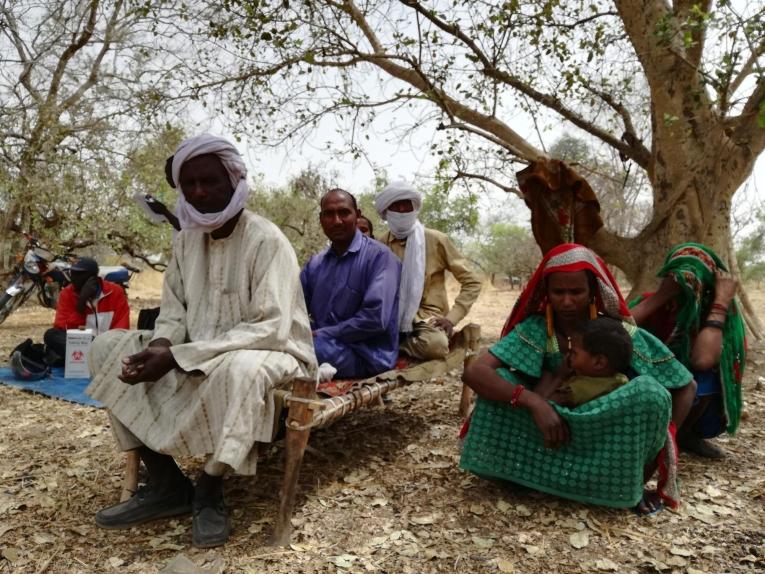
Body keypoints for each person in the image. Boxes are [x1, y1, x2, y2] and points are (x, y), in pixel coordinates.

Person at [85, 134, 316, 548]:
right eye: (188, 184)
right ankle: (166, 485)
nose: (198, 192)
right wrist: (160, 345)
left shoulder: (266, 240)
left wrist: (178, 354)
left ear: (234, 180)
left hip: (274, 351)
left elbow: (271, 327)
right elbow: (173, 310)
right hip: (194, 347)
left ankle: (209, 489)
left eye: (208, 181)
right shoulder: (185, 239)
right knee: (107, 348)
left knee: (242, 369)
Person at [460, 243, 697, 515]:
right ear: (546, 293)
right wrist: (534, 403)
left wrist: (646, 469)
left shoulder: (614, 332)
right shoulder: (537, 329)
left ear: (593, 291)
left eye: (576, 292)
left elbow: (686, 386)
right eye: (558, 292)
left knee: (651, 393)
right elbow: (474, 372)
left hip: (600, 438)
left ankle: (622, 487)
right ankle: (521, 475)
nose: (567, 301)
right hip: (548, 433)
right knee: (498, 382)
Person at [630, 243, 746, 459]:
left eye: (694, 279)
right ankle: (651, 437)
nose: (686, 286)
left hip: (693, 399)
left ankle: (682, 434)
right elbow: (614, 333)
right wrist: (659, 297)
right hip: (649, 392)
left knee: (709, 372)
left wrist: (720, 302)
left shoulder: (717, 314)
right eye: (678, 277)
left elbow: (702, 360)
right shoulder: (654, 303)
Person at [375, 181, 482, 360]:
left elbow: (472, 281)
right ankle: (398, 342)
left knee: (435, 346)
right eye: (395, 205)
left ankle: (395, 344)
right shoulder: (381, 245)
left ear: (414, 208)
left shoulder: (435, 240)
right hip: (390, 317)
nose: (402, 210)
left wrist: (451, 318)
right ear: (386, 212)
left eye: (406, 204)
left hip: (428, 318)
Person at [301, 188, 401, 378]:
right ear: (321, 219)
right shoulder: (315, 264)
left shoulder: (381, 258)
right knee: (285, 340)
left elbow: (375, 319)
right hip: (327, 344)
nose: (337, 221)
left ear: (357, 215)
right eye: (329, 214)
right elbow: (294, 307)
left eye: (344, 212)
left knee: (303, 347)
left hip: (366, 354)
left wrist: (324, 334)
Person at [43, 257, 130, 366]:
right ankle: (89, 361)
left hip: (107, 345)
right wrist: (81, 304)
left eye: (79, 274)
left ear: (93, 278)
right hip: (80, 344)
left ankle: (82, 360)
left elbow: (122, 328)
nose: (73, 278)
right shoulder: (67, 293)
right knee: (51, 335)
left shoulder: (115, 291)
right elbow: (63, 328)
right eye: (72, 273)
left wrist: (103, 343)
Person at [550, 317, 632, 407]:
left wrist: (559, 377)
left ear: (599, 363)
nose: (568, 356)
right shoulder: (620, 380)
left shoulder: (576, 390)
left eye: (574, 353)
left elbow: (547, 405)